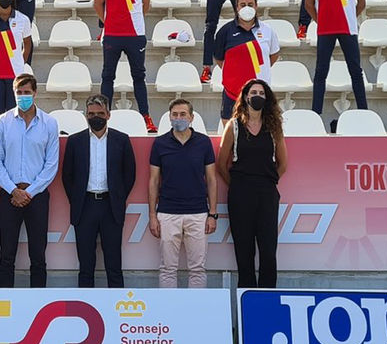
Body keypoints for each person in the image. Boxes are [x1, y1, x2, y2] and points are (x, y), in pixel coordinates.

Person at [0, 73, 60, 288]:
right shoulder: (2, 122)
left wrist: (30, 192)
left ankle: (37, 304)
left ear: (35, 93)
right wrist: (14, 191)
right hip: (9, 195)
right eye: (19, 93)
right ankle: (3, 304)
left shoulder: (49, 123)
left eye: (26, 92)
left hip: (37, 196)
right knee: (6, 254)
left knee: (38, 255)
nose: (22, 96)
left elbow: (51, 165)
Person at [217, 78, 287, 288]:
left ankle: (267, 303)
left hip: (266, 193)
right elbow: (222, 163)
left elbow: (283, 164)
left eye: (262, 93)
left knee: (268, 251)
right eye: (253, 92)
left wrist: (268, 182)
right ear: (246, 96)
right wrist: (238, 186)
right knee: (244, 252)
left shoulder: (274, 127)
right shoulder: (234, 126)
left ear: (267, 99)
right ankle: (247, 302)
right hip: (240, 194)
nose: (257, 96)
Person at [61, 94, 136, 288]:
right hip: (84, 207)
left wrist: (118, 197)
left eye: (100, 113)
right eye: (91, 113)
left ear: (108, 115)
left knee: (114, 265)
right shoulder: (75, 141)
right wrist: (77, 199)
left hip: (111, 206)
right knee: (86, 266)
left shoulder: (121, 140)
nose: (96, 117)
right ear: (85, 115)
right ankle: (85, 312)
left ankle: (117, 311)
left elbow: (129, 174)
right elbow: (67, 176)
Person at [148, 99, 218, 289]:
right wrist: (153, 215)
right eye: (175, 115)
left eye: (183, 114)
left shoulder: (203, 142)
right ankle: (169, 313)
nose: (178, 118)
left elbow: (211, 180)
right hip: (168, 213)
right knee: (167, 269)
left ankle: (195, 313)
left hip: (198, 214)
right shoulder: (160, 143)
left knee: (198, 269)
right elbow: (153, 181)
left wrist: (212, 214)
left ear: (191, 117)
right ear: (169, 117)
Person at [94, 0, 157, 133]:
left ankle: (145, 116)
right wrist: (109, 22)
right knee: (107, 76)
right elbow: (98, 3)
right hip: (112, 34)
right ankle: (105, 115)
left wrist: (134, 19)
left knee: (139, 76)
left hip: (136, 34)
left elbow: (146, 3)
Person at [305, 0, 368, 116]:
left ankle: (364, 112)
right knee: (321, 72)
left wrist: (349, 17)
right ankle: (316, 114)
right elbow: (308, 4)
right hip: (326, 30)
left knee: (356, 71)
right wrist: (321, 21)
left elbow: (362, 2)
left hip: (349, 28)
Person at [213, 0, 280, 121]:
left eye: (250, 4)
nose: (247, 7)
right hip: (232, 93)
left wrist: (258, 70)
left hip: (260, 92)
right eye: (242, 5)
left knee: (262, 130)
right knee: (231, 133)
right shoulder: (225, 31)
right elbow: (220, 59)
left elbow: (273, 55)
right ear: (237, 7)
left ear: (256, 6)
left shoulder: (267, 31)